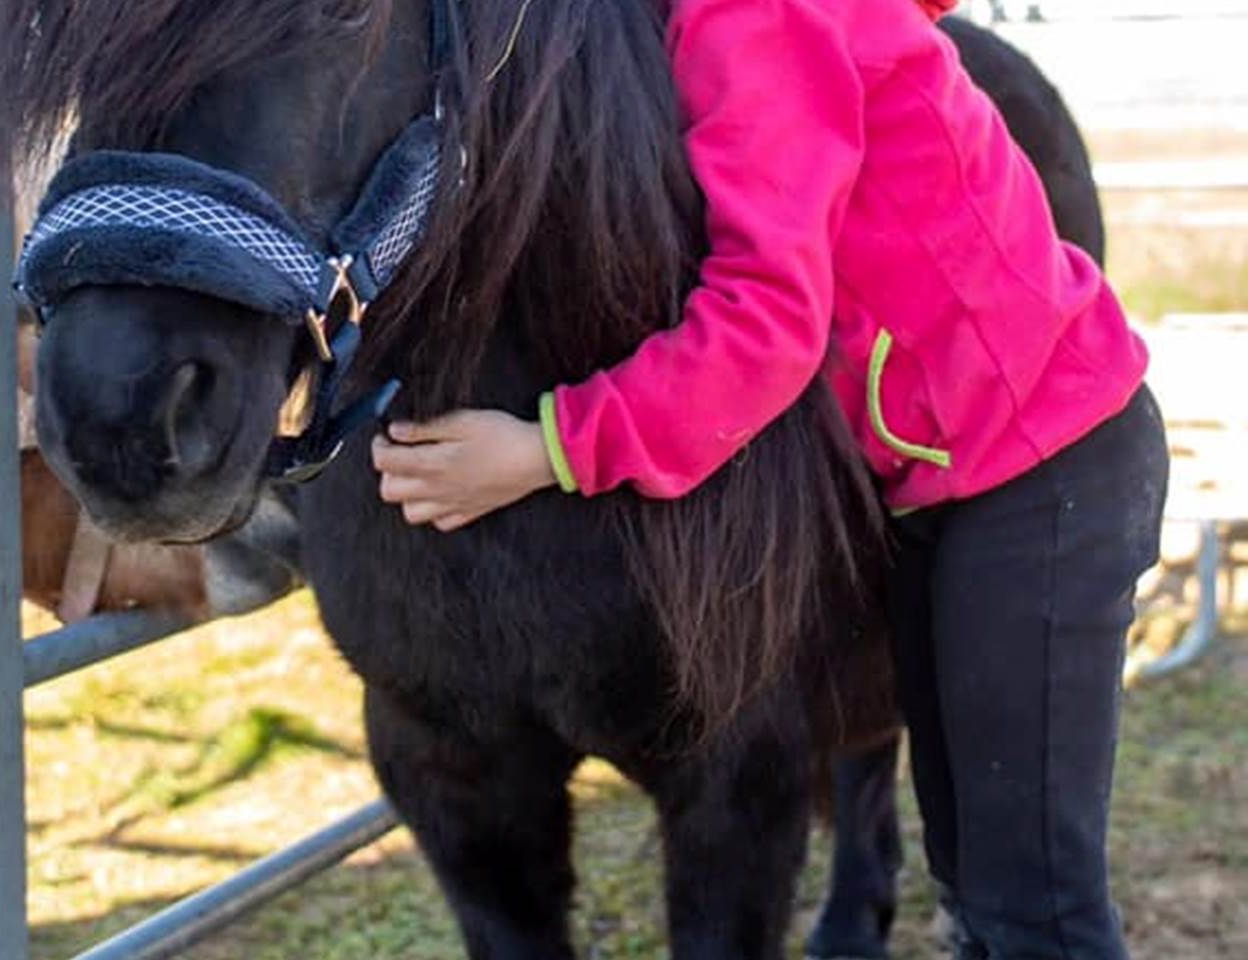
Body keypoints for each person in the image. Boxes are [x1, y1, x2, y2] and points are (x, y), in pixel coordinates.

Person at [370, 1, 1168, 956]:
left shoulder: (758, 14)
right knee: (979, 878)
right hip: (954, 476)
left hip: (1043, 472)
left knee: (1034, 904)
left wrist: (545, 449)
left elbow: (767, 322)